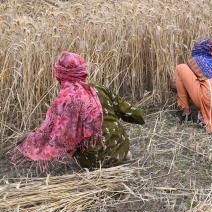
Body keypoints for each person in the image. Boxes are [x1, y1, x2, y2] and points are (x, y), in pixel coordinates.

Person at [9, 52, 144, 169]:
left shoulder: (63, 101)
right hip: (119, 148)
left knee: (74, 142)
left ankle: (102, 161)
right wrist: (140, 118)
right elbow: (129, 111)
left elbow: (59, 136)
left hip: (92, 162)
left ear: (59, 74)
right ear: (83, 71)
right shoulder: (99, 89)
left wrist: (31, 142)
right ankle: (121, 157)